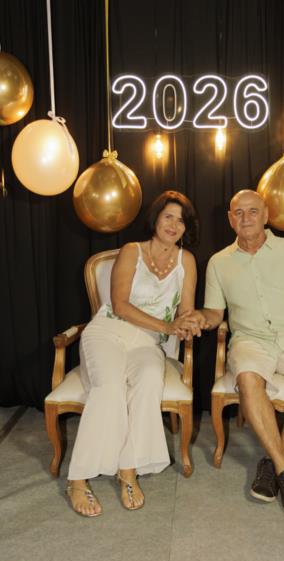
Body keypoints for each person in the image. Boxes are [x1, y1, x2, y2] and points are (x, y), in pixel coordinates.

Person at [184, 189, 284, 516]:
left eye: (253, 211)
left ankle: (271, 462)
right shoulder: (219, 262)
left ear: (266, 215)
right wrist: (200, 318)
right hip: (250, 341)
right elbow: (214, 313)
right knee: (248, 377)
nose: (246, 218)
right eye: (238, 213)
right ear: (230, 219)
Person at [66, 190, 199, 517]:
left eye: (181, 221)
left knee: (150, 380)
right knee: (110, 386)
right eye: (168, 217)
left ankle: (128, 470)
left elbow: (185, 311)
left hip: (147, 343)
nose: (174, 225)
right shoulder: (131, 251)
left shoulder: (187, 261)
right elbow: (121, 305)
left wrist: (190, 323)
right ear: (155, 219)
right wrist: (168, 327)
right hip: (109, 331)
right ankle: (78, 478)